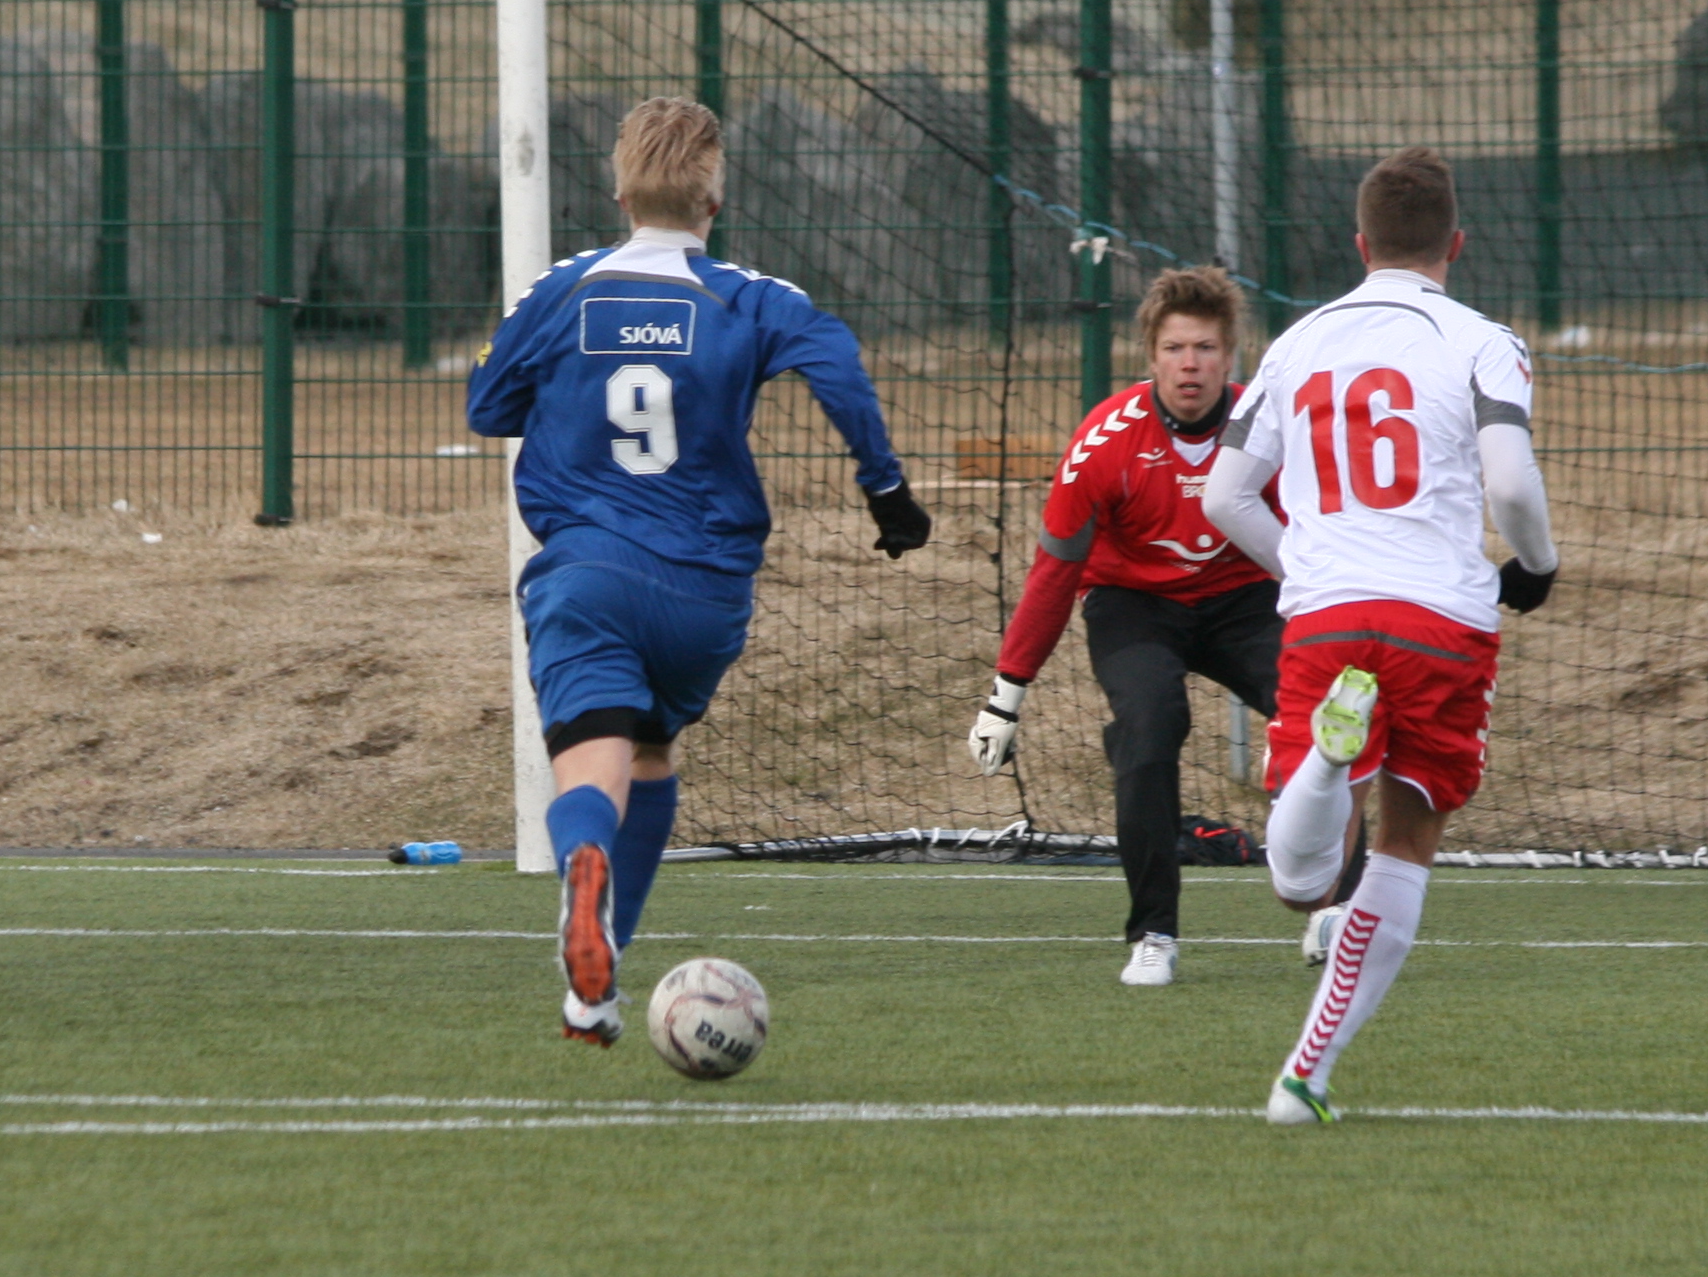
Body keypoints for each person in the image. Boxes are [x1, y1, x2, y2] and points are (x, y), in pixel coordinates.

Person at [467, 97, 927, 1043]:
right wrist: (886, 492)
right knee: (652, 752)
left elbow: (488, 405)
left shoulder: (563, 289)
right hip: (705, 590)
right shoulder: (752, 297)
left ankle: (584, 876)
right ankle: (594, 994)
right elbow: (838, 367)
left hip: (587, 574)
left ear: (619, 192)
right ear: (716, 200)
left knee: (593, 766)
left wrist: (570, 399)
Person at [1197, 146, 1558, 1125]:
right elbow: (1512, 481)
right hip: (1443, 620)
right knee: (1406, 841)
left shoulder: (1297, 343)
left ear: (1359, 245)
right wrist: (1536, 564)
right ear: (1457, 244)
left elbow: (1224, 496)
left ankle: (1326, 762)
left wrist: (1309, 563)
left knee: (1301, 883)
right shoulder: (1483, 340)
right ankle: (1303, 1079)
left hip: (1329, 617)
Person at [961, 266, 1359, 986]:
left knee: (1331, 716)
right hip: (1133, 603)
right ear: (1150, 357)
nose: (1190, 364)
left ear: (1230, 356)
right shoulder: (1104, 442)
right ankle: (1154, 933)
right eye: (1175, 348)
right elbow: (1053, 575)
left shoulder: (1271, 427)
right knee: (1149, 725)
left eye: (1205, 348)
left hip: (1244, 597)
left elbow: (1318, 537)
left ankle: (1337, 910)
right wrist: (1005, 696)